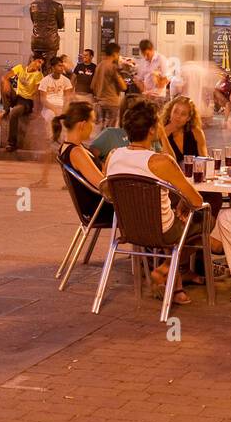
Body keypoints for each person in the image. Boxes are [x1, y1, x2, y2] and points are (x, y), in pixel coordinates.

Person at [105, 99, 204, 305]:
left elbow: (107, 192)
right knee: (204, 221)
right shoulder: (160, 161)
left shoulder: (113, 156)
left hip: (129, 230)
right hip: (162, 230)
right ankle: (165, 269)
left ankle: (176, 286)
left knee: (176, 218)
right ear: (153, 130)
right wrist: (184, 204)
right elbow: (196, 199)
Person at [53, 100, 113, 224]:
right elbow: (103, 186)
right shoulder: (76, 152)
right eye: (92, 121)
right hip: (99, 209)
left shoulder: (71, 147)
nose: (93, 126)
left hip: (98, 205)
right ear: (82, 124)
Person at [2, 54, 44, 152]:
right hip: (17, 97)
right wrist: (6, 82)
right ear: (32, 60)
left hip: (27, 101)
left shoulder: (38, 75)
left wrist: (36, 110)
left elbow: (37, 94)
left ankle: (12, 143)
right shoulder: (20, 68)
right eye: (39, 62)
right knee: (3, 81)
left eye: (41, 63)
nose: (40, 65)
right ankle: (6, 109)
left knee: (14, 113)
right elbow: (5, 76)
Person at [92, 42, 129, 129]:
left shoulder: (99, 65)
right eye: (118, 53)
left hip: (100, 102)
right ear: (115, 53)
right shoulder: (113, 67)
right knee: (110, 130)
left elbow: (93, 85)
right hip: (112, 102)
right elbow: (123, 87)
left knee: (101, 129)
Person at [160, 96, 207, 161]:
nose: (178, 116)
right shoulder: (160, 132)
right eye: (175, 112)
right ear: (170, 112)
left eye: (183, 114)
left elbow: (204, 160)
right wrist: (164, 134)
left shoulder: (196, 133)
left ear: (188, 118)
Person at [38, 55, 74, 130]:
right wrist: (54, 109)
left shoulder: (66, 80)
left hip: (61, 106)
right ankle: (50, 137)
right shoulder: (45, 80)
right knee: (50, 116)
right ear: (53, 67)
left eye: (62, 66)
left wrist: (64, 110)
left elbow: (68, 99)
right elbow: (43, 100)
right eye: (59, 66)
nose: (62, 68)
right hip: (48, 108)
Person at [135, 39, 170, 105]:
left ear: (152, 49)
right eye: (143, 54)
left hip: (158, 97)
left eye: (147, 54)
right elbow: (139, 80)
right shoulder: (143, 61)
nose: (145, 57)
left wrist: (156, 91)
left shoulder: (161, 59)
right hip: (146, 96)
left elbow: (165, 78)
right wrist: (144, 91)